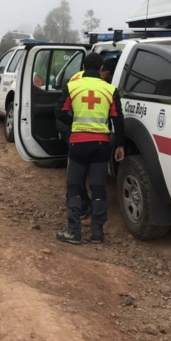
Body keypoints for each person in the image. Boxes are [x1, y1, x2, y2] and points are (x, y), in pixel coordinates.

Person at [55, 53, 125, 245]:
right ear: (101, 68)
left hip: (78, 143)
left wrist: (75, 122)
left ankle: (73, 232)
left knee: (75, 185)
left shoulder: (72, 86)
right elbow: (118, 119)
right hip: (102, 145)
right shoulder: (110, 90)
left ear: (84, 67)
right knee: (98, 186)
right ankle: (97, 234)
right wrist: (119, 145)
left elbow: (59, 112)